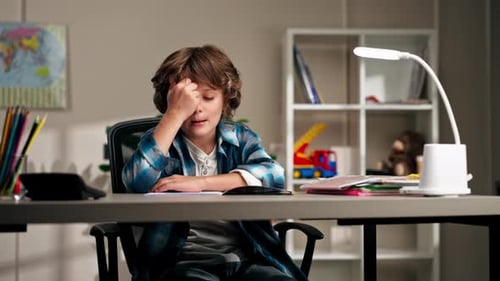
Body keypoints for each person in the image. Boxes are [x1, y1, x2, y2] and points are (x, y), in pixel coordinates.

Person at [122, 45, 307, 281]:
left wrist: (201, 183)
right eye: (187, 102)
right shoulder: (160, 142)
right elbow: (136, 180)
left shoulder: (240, 138)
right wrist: (174, 115)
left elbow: (273, 176)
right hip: (181, 262)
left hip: (245, 259)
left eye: (208, 98)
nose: (197, 109)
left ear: (225, 99)